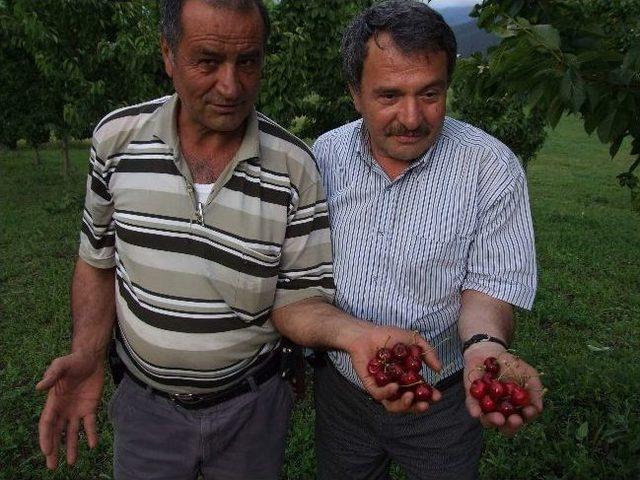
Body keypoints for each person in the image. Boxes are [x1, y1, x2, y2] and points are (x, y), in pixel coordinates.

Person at [36, 1, 444, 478]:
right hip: (145, 408)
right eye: (208, 61)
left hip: (251, 411)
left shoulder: (294, 167)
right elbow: (97, 260)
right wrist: (86, 354)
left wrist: (355, 335)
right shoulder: (116, 140)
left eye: (247, 61)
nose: (231, 86)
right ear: (168, 54)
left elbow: (298, 300)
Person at [276, 1, 544, 479]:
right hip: (343, 390)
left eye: (430, 93)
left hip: (442, 398)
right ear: (354, 94)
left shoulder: (490, 168)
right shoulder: (323, 156)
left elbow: (489, 286)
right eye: (389, 96)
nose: (412, 116)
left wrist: (484, 345)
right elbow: (300, 274)